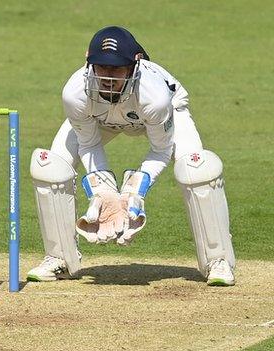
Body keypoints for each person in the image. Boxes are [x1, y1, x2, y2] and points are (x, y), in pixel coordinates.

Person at [27, 26, 235, 287]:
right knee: (51, 167)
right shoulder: (75, 93)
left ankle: (218, 260)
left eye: (116, 69)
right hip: (100, 119)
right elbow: (89, 144)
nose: (108, 77)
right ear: (88, 62)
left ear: (135, 64)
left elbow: (162, 149)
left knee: (197, 170)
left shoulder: (155, 97)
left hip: (163, 112)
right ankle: (59, 258)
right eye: (101, 67)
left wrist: (134, 192)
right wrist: (104, 192)